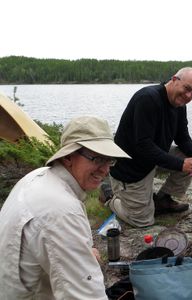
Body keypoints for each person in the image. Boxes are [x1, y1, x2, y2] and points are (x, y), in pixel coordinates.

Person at [0, 116, 130, 299]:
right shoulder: (61, 212)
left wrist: (81, 250)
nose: (106, 170)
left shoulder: (38, 177)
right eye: (98, 159)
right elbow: (86, 296)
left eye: (109, 160)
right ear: (69, 156)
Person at [107, 67, 192, 227]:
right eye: (187, 89)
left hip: (152, 160)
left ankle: (163, 200)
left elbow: (182, 137)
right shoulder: (148, 99)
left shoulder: (179, 105)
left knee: (191, 160)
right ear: (174, 79)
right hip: (131, 168)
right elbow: (143, 146)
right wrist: (181, 164)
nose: (188, 96)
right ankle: (111, 198)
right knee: (143, 221)